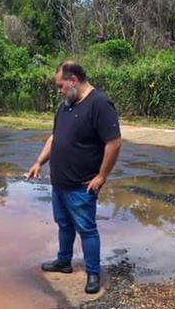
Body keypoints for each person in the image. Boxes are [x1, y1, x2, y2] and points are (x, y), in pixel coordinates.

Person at [26, 61, 122, 294]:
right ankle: (64, 261)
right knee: (64, 225)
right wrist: (39, 162)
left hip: (82, 186)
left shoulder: (99, 104)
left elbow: (114, 142)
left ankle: (92, 274)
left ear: (73, 81)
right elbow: (54, 138)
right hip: (59, 183)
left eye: (60, 86)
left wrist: (101, 176)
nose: (59, 90)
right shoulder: (65, 106)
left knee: (87, 230)